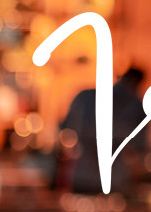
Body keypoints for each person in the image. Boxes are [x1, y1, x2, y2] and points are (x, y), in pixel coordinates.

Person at [59, 67, 145, 196]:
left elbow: (64, 127)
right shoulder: (137, 106)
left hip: (85, 175)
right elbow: (140, 148)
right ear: (136, 83)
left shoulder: (84, 97)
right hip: (112, 179)